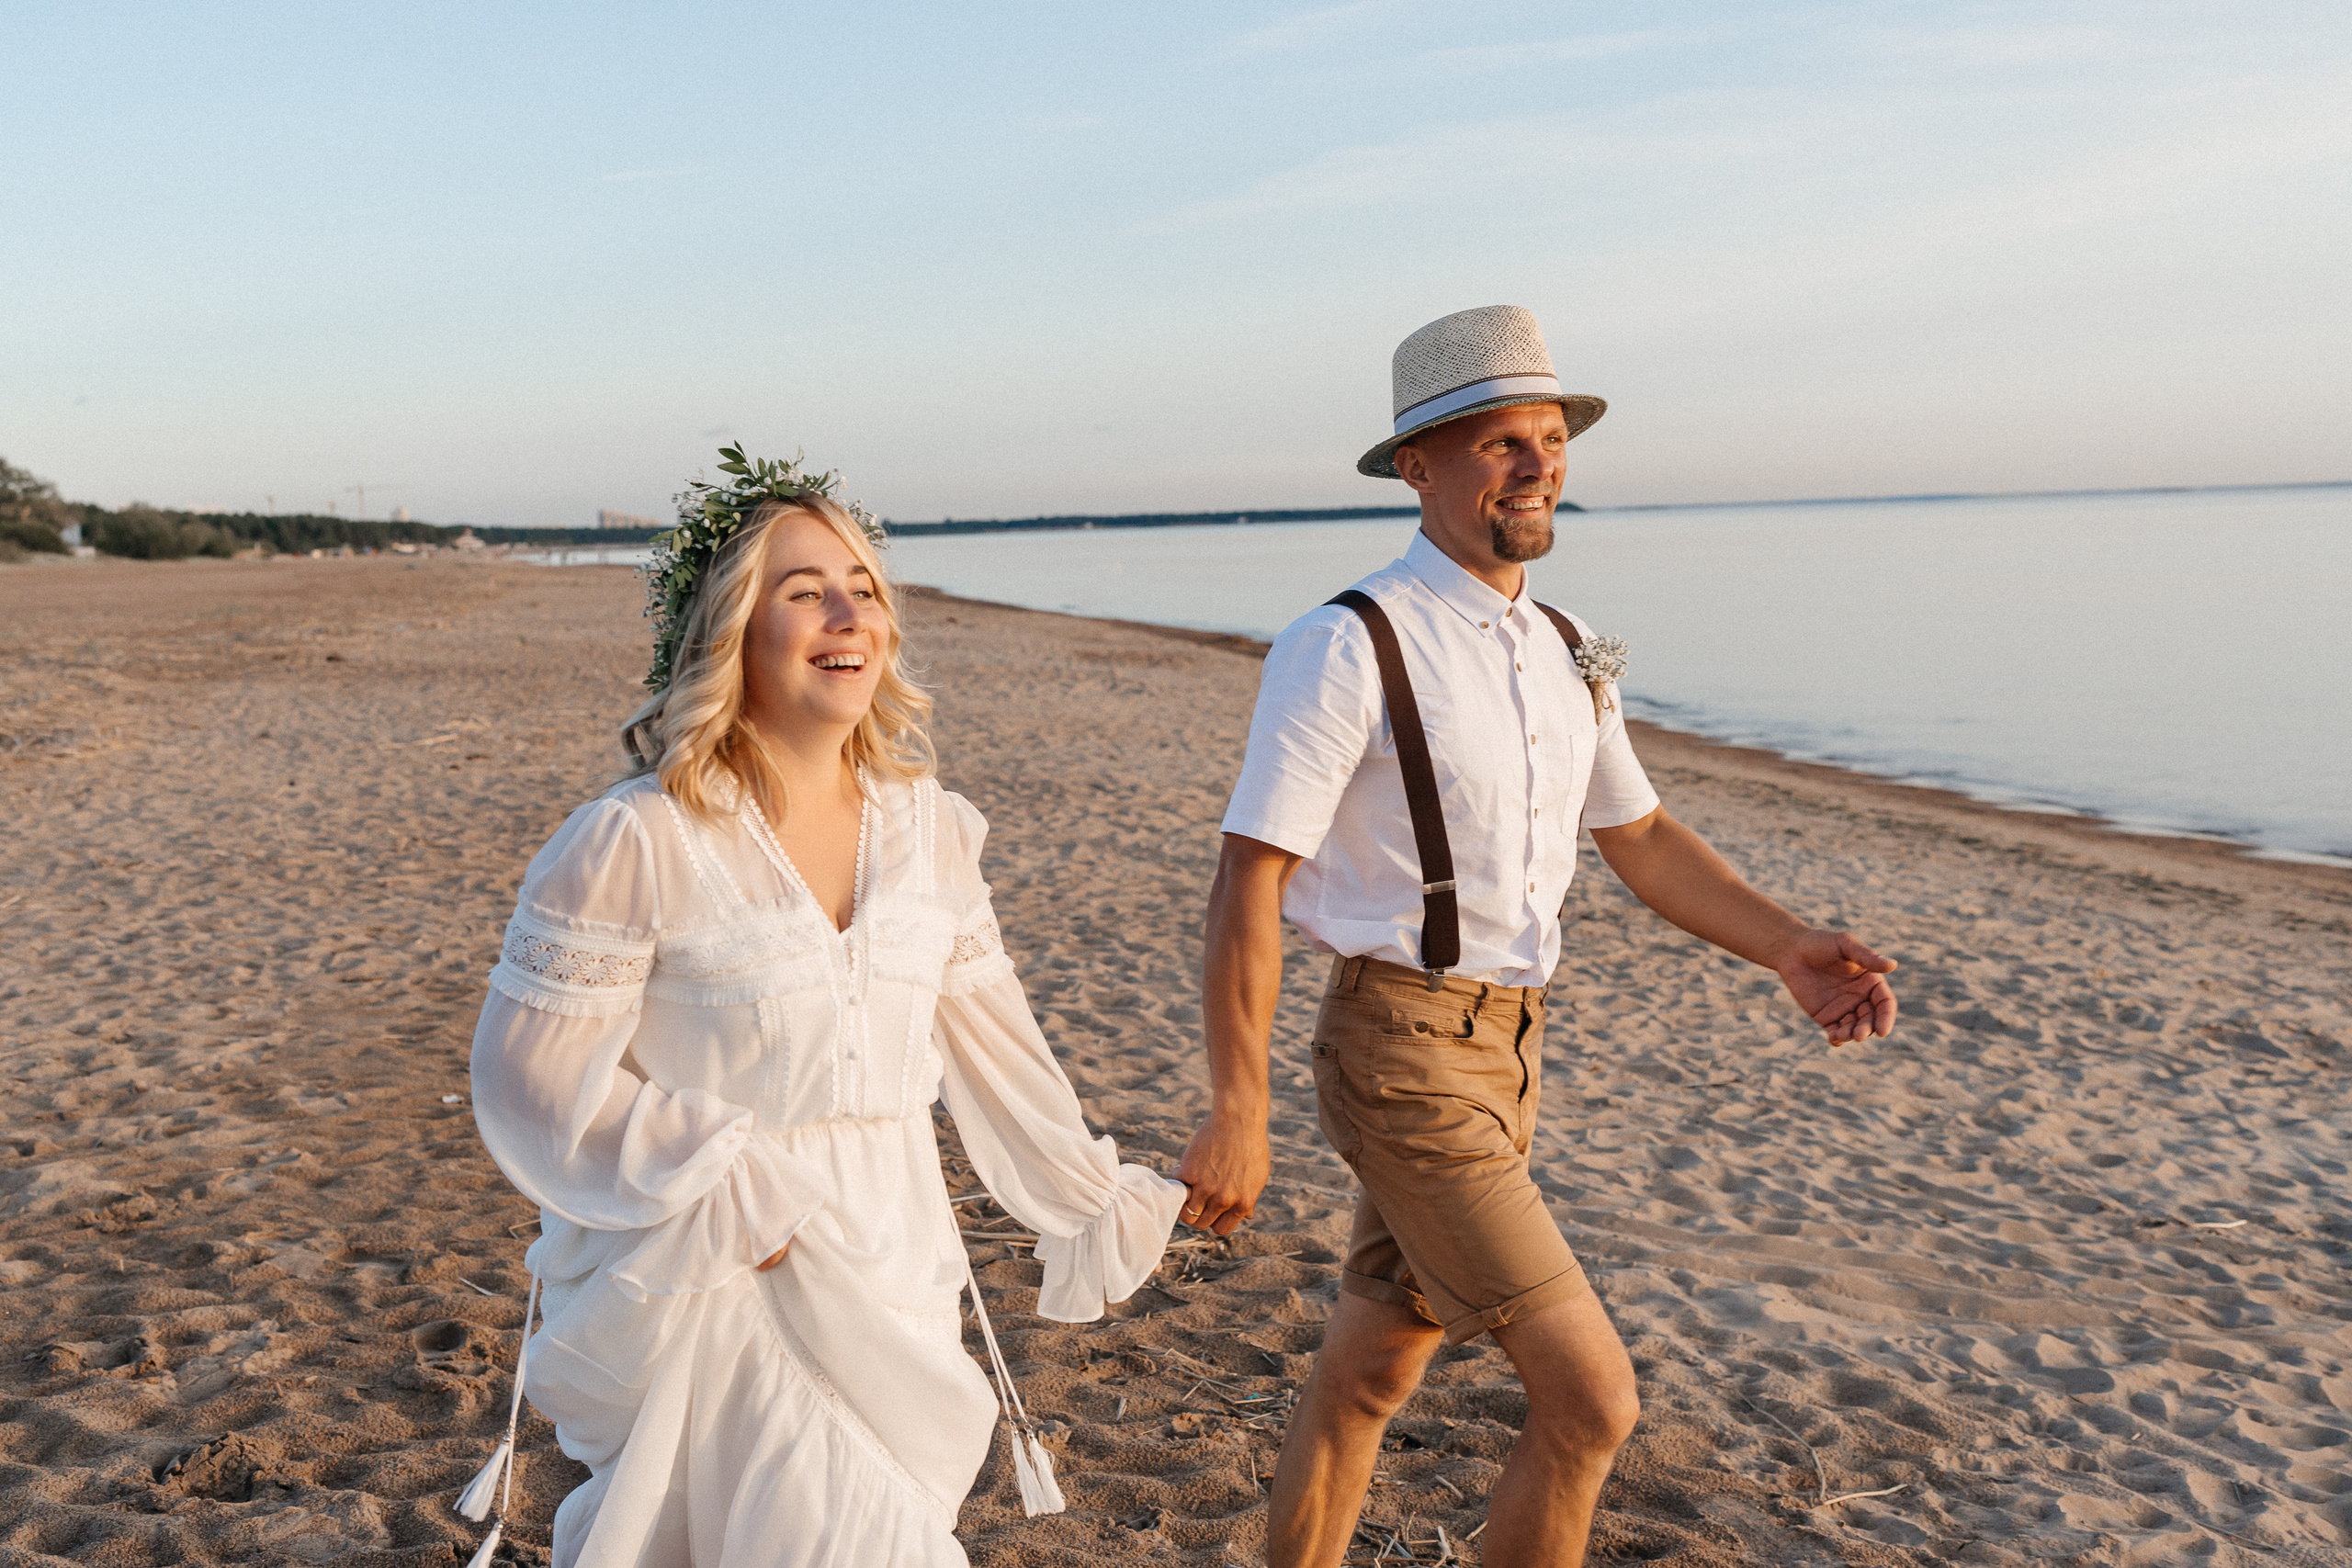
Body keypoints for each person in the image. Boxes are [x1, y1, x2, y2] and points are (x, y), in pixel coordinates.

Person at [1176, 307, 1900, 1568]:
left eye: (1551, 439)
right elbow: (1251, 873)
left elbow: (1644, 834)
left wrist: (1788, 945)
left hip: (1513, 1053)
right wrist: (1239, 1101)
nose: (1536, 464)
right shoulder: (1346, 641)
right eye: (1502, 441)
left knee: (1370, 1369)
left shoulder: (1572, 644)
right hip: (1398, 1052)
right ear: (1420, 465)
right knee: (1592, 1397)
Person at [468, 454, 1185, 1568]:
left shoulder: (933, 833)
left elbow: (1003, 1058)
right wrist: (719, 1176)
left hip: (898, 1268)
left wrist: (1096, 1197)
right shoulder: (636, 842)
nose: (850, 612)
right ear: (730, 629)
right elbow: (530, 1079)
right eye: (805, 590)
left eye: (865, 587)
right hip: (727, 1265)